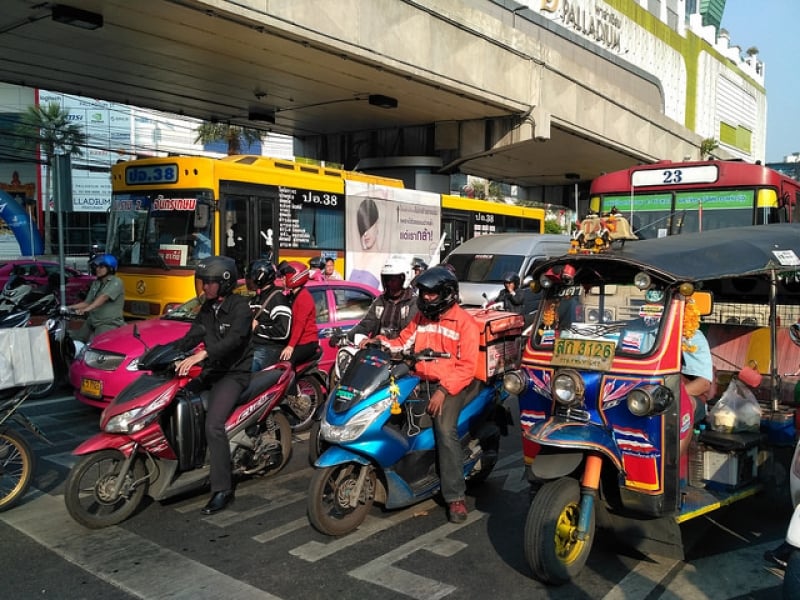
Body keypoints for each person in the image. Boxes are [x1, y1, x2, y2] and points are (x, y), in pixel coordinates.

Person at [376, 266, 480, 524]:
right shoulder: (421, 318)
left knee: (445, 432)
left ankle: (455, 496)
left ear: (446, 294)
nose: (426, 298)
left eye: (432, 294)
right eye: (423, 293)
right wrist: (376, 342)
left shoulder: (465, 324)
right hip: (418, 380)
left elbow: (467, 367)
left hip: (451, 386)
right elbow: (402, 341)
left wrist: (444, 391)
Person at [174, 256, 253, 515]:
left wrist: (203, 355)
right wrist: (163, 354)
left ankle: (222, 489)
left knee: (214, 425)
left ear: (225, 282)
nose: (205, 287)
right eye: (203, 282)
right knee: (178, 399)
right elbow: (193, 335)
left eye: (210, 283)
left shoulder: (241, 307)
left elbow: (234, 340)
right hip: (212, 371)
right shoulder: (207, 309)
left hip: (233, 374)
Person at [278, 261, 321, 404]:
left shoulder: (304, 297)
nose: (283, 279)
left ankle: (291, 398)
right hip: (298, 341)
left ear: (295, 277)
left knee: (286, 363)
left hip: (307, 342)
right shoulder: (292, 295)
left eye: (285, 276)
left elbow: (299, 325)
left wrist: (290, 346)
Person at [348, 256, 417, 345]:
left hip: (402, 353)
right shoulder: (381, 301)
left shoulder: (413, 303)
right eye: (387, 279)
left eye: (393, 280)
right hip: (379, 351)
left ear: (404, 279)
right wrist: (347, 336)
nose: (389, 283)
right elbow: (367, 323)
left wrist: (382, 342)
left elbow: (409, 333)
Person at [69, 254, 125, 342]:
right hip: (93, 320)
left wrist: (86, 310)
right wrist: (68, 308)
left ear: (110, 268)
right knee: (77, 339)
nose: (97, 269)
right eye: (97, 267)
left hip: (107, 323)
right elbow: (86, 302)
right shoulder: (96, 283)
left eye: (101, 267)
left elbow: (103, 297)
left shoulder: (116, 282)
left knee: (98, 345)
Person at [247, 260, 292, 371]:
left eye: (250, 277)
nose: (248, 280)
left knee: (246, 372)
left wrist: (257, 328)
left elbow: (283, 331)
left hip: (268, 348)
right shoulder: (256, 298)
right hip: (252, 346)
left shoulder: (277, 298)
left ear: (260, 278)